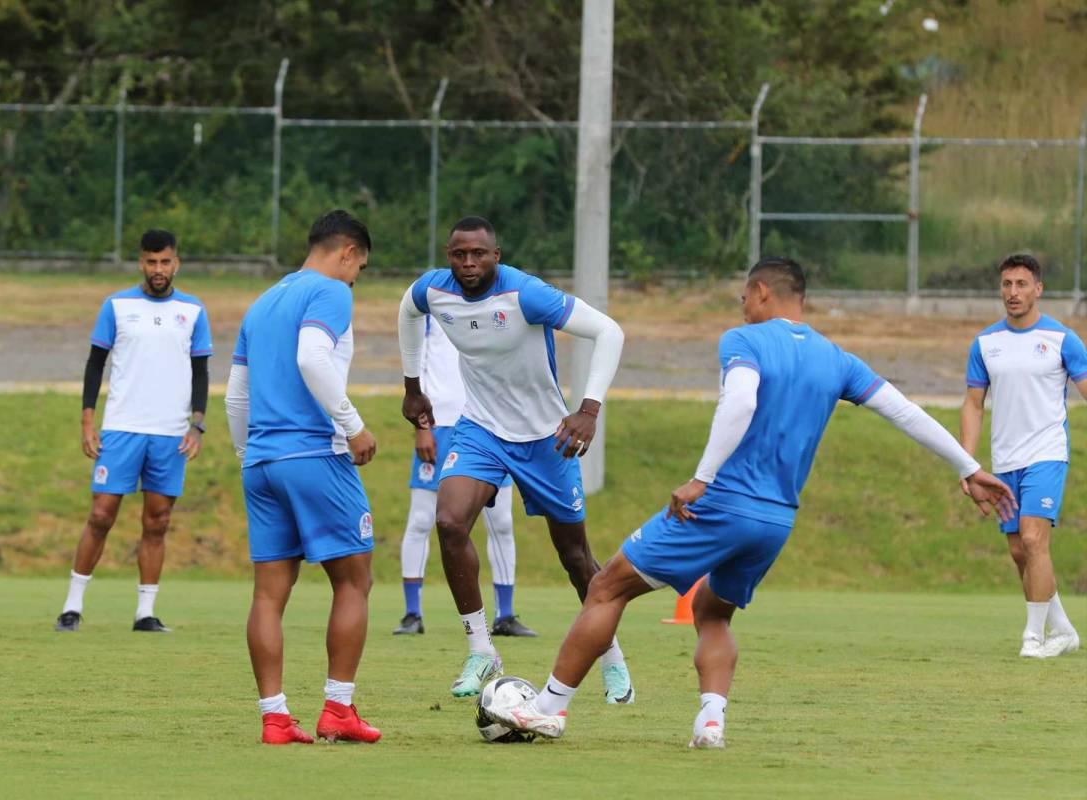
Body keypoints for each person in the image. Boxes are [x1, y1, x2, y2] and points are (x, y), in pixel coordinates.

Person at [496, 256, 1017, 747]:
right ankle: (711, 720)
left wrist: (701, 479)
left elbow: (741, 400)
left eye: (744, 297)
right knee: (712, 610)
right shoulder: (837, 359)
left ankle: (548, 707)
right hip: (775, 521)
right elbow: (903, 411)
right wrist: (968, 467)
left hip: (722, 504)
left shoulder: (744, 339)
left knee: (607, 587)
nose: (742, 307)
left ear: (762, 292)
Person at [398, 215, 633, 702]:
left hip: (547, 436)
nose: (468, 263)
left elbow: (609, 332)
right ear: (448, 256)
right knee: (448, 521)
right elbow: (407, 310)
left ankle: (611, 656)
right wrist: (412, 387)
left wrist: (588, 410)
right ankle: (481, 649)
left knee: (575, 557)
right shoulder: (433, 290)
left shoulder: (526, 294)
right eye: (459, 254)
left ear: (496, 256)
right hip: (481, 429)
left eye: (478, 254)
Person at [225, 210, 381, 745]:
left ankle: (274, 718)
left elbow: (236, 396)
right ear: (347, 252)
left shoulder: (263, 302)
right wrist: (353, 426)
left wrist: (249, 454)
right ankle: (338, 709)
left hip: (262, 463)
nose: (355, 278)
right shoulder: (330, 291)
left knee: (269, 595)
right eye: (359, 267)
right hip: (315, 454)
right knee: (354, 579)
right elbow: (313, 358)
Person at [55, 228, 212, 634]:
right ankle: (72, 607)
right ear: (141, 263)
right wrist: (87, 420)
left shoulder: (193, 310)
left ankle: (145, 613)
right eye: (151, 261)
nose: (158, 269)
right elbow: (95, 364)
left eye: (165, 261)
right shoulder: (117, 305)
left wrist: (197, 424)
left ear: (176, 263)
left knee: (157, 521)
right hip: (122, 428)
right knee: (101, 514)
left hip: (170, 433)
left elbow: (201, 372)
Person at [960, 252, 1087, 659]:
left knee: (1033, 539)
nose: (1012, 292)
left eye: (1021, 284)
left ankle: (1033, 637)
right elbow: (973, 404)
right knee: (1020, 552)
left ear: (1038, 289)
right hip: (1005, 460)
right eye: (1006, 284)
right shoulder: (985, 343)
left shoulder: (1063, 340)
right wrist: (967, 462)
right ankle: (1063, 630)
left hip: (1047, 453)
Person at [395, 314, 536, 637]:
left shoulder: (502, 306)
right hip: (440, 425)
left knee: (501, 522)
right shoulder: (431, 305)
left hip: (490, 427)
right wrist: (421, 427)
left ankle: (505, 615)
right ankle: (412, 613)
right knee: (422, 518)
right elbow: (416, 363)